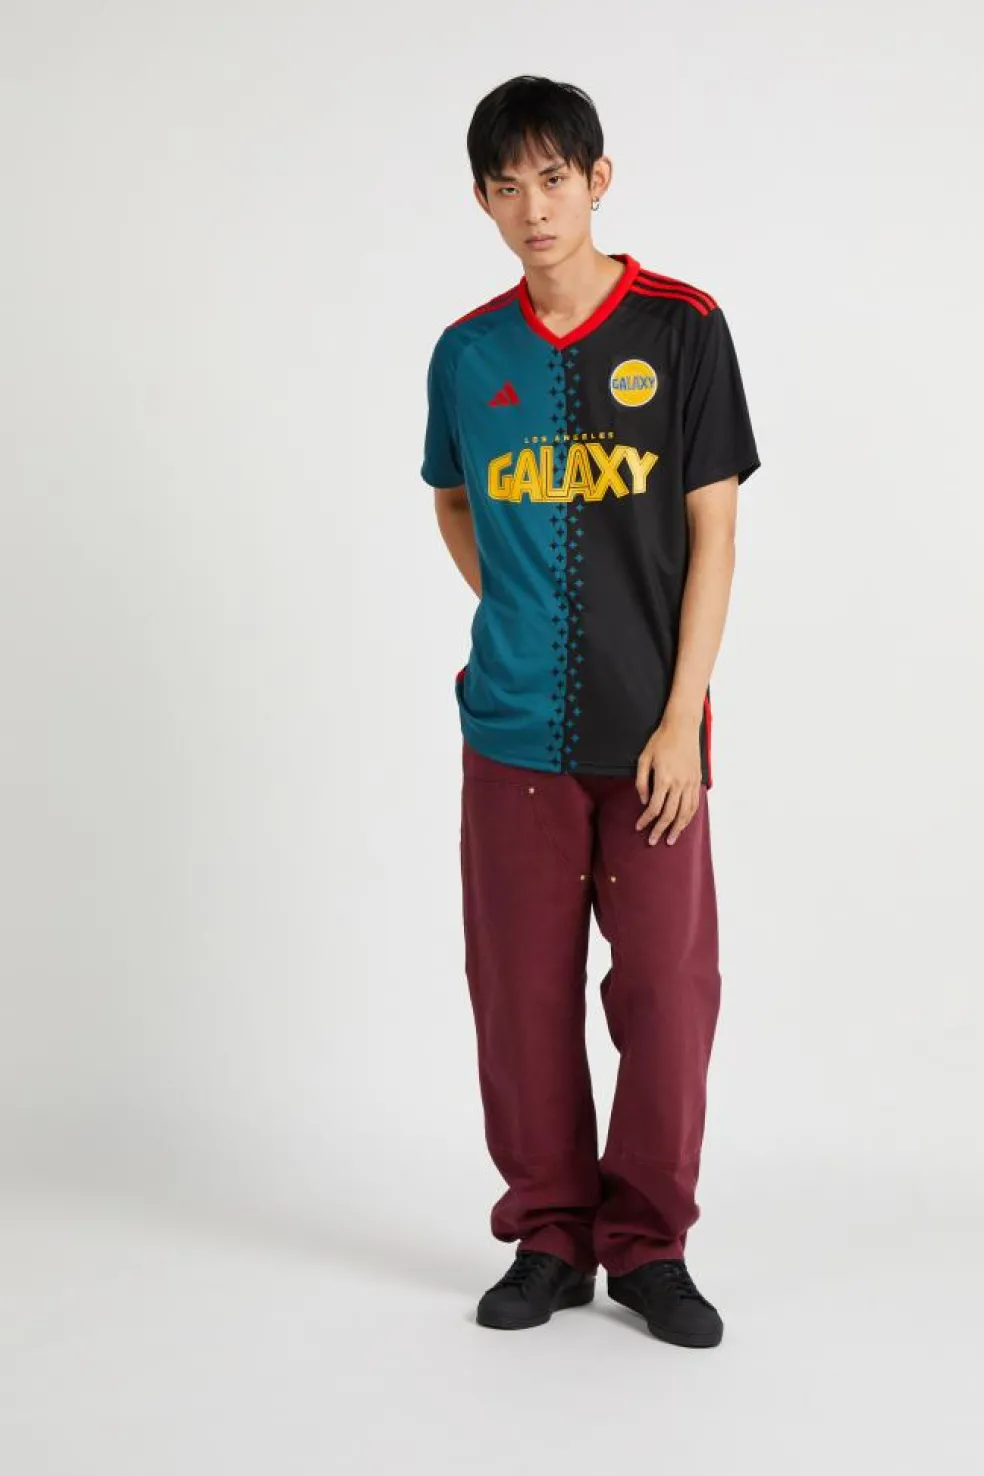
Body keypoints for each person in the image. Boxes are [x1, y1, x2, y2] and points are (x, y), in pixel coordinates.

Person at [419, 75, 760, 1348]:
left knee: (669, 990)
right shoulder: (468, 354)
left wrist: (683, 716)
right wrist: (520, 602)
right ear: (482, 200)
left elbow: (714, 533)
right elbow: (454, 502)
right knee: (519, 991)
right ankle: (551, 1237)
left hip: (650, 736)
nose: (534, 208)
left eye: (553, 178)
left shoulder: (682, 327)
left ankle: (649, 1245)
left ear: (598, 179)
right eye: (507, 186)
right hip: (511, 728)